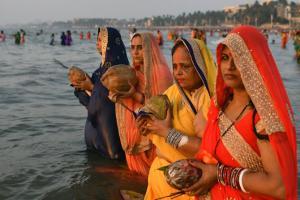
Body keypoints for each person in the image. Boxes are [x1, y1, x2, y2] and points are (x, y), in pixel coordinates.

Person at [184, 26, 297, 199]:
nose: (229, 66)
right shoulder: (219, 105)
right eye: (224, 58)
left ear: (254, 62)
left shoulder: (264, 117)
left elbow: (278, 186)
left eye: (238, 59)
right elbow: (210, 152)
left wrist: (219, 174)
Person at [139, 38, 216, 200]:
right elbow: (153, 132)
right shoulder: (171, 94)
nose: (178, 73)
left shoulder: (211, 100)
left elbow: (208, 150)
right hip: (159, 179)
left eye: (185, 66)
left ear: (200, 65)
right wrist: (145, 125)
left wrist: (167, 132)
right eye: (174, 66)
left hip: (188, 186)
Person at [108, 32, 173, 176]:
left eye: (140, 47)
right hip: (134, 131)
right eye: (132, 48)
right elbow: (125, 101)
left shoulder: (161, 73)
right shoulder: (133, 73)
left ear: (150, 49)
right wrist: (117, 94)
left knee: (153, 176)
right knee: (136, 177)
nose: (135, 52)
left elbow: (161, 109)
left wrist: (134, 95)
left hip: (153, 134)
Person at [70, 27, 127, 160]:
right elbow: (92, 104)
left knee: (112, 162)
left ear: (109, 43)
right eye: (97, 39)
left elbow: (105, 102)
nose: (97, 42)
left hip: (109, 131)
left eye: (101, 40)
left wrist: (90, 86)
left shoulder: (119, 71)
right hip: (96, 133)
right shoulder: (98, 72)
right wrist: (81, 88)